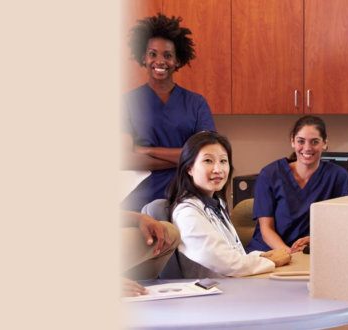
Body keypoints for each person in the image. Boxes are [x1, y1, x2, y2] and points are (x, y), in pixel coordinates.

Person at [123, 13, 217, 211]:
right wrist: (185, 159)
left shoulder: (196, 103)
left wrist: (148, 151)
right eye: (152, 54)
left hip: (187, 198)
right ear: (143, 57)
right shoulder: (127, 102)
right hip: (138, 201)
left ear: (177, 61)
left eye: (167, 55)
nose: (160, 61)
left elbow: (207, 156)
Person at [171, 131, 293, 278]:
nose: (218, 169)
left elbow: (233, 253)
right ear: (189, 168)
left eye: (223, 161)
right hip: (216, 294)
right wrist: (272, 261)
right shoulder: (187, 213)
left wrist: (264, 256)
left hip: (232, 285)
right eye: (208, 161)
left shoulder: (216, 204)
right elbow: (227, 264)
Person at [246, 116, 348, 254]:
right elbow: (266, 229)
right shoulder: (269, 174)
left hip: (310, 253)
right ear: (292, 141)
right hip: (270, 254)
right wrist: (289, 252)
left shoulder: (338, 177)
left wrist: (315, 240)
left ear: (325, 143)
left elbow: (344, 225)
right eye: (301, 141)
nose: (307, 148)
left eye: (315, 142)